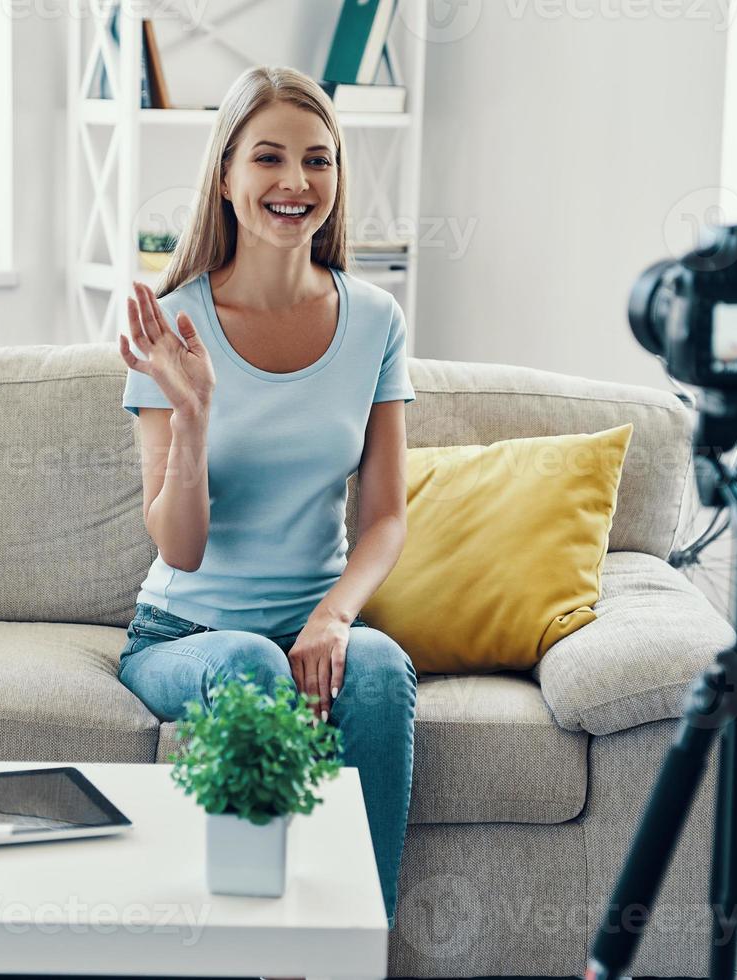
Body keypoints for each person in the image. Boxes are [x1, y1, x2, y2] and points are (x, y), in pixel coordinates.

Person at [114, 64, 419, 937]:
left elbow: (386, 516)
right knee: (248, 665)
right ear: (226, 176)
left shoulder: (376, 322)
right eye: (270, 158)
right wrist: (196, 413)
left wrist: (333, 619)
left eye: (318, 161)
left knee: (379, 668)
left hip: (312, 625)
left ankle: (359, 949)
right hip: (186, 638)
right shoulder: (172, 328)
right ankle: (259, 946)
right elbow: (180, 550)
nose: (295, 183)